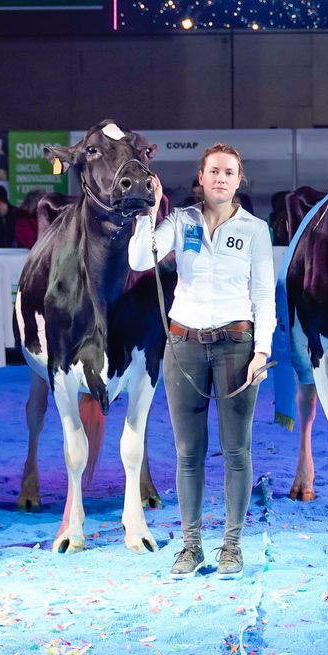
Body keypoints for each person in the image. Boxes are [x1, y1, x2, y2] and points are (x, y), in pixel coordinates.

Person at [130, 144, 274, 579]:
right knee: (188, 453)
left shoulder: (255, 230)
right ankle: (190, 546)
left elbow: (263, 295)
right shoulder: (180, 221)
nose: (220, 178)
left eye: (229, 172)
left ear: (239, 179)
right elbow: (140, 258)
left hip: (236, 345)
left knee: (236, 450)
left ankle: (232, 546)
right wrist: (148, 212)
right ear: (201, 176)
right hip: (184, 345)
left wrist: (262, 351)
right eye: (213, 171)